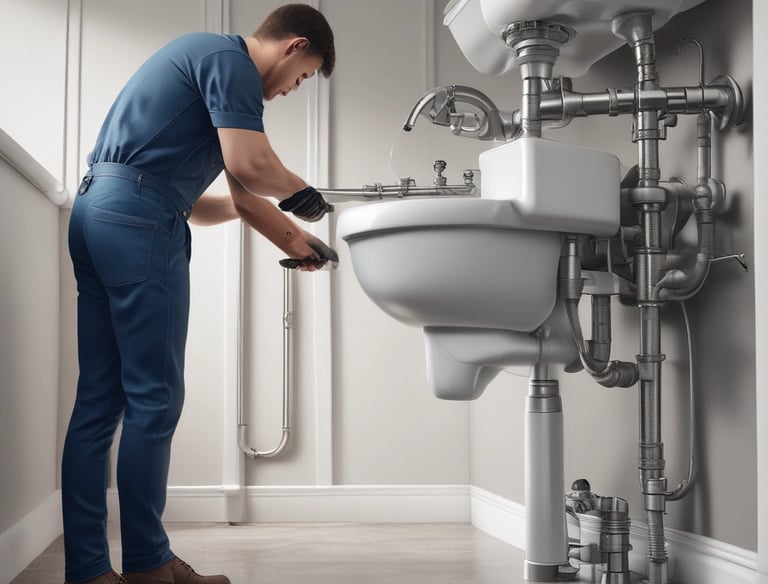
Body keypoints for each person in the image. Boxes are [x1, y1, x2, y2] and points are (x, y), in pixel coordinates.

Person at [62, 5, 337, 584]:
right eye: (305, 75)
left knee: (98, 403)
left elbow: (235, 198)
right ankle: (148, 565)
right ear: (292, 47)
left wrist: (297, 238)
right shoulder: (230, 61)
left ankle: (88, 570)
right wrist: (302, 190)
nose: (294, 88)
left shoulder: (207, 66)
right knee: (153, 399)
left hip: (98, 211)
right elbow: (253, 165)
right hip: (138, 219)